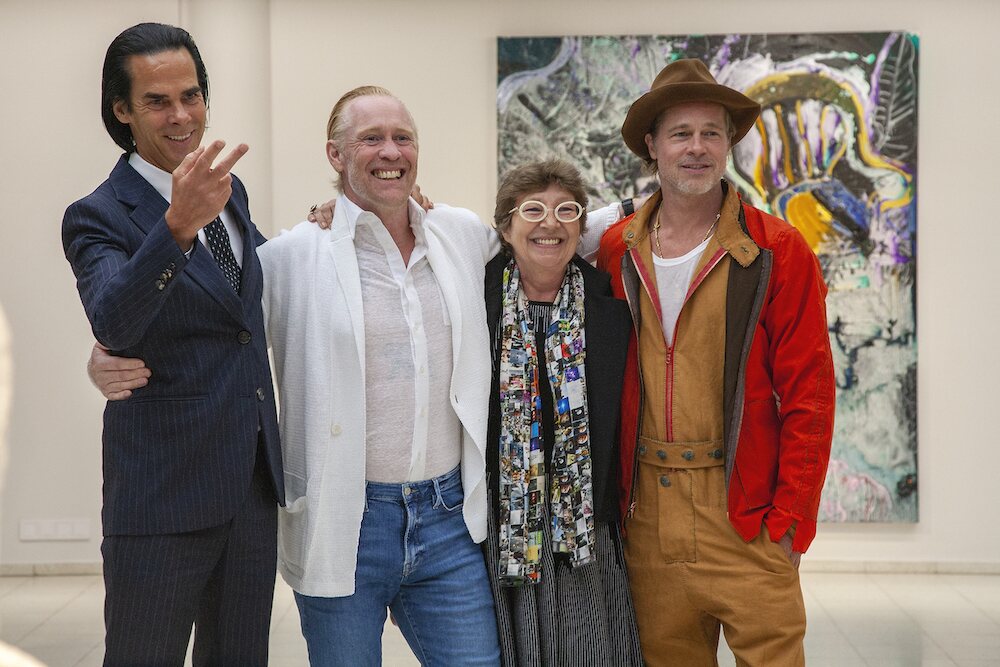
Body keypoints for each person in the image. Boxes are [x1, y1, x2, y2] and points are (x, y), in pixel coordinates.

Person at [595, 58, 836, 665]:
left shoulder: (776, 250)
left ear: (729, 142)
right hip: (648, 519)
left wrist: (790, 521)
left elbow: (810, 393)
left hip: (748, 515)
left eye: (711, 132)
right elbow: (521, 239)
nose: (696, 148)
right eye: (680, 134)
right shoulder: (613, 248)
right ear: (652, 146)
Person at [61, 22, 283, 666]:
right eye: (157, 101)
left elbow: (246, 307)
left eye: (191, 95)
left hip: (248, 483)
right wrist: (178, 225)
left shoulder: (227, 189)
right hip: (161, 495)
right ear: (122, 110)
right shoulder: (97, 214)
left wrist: (336, 227)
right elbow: (114, 319)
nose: (181, 114)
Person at [484, 159, 642, 666]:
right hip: (505, 528)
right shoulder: (472, 296)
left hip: (585, 530)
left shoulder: (613, 300)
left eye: (565, 211)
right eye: (533, 210)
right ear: (506, 228)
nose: (550, 223)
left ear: (581, 227)